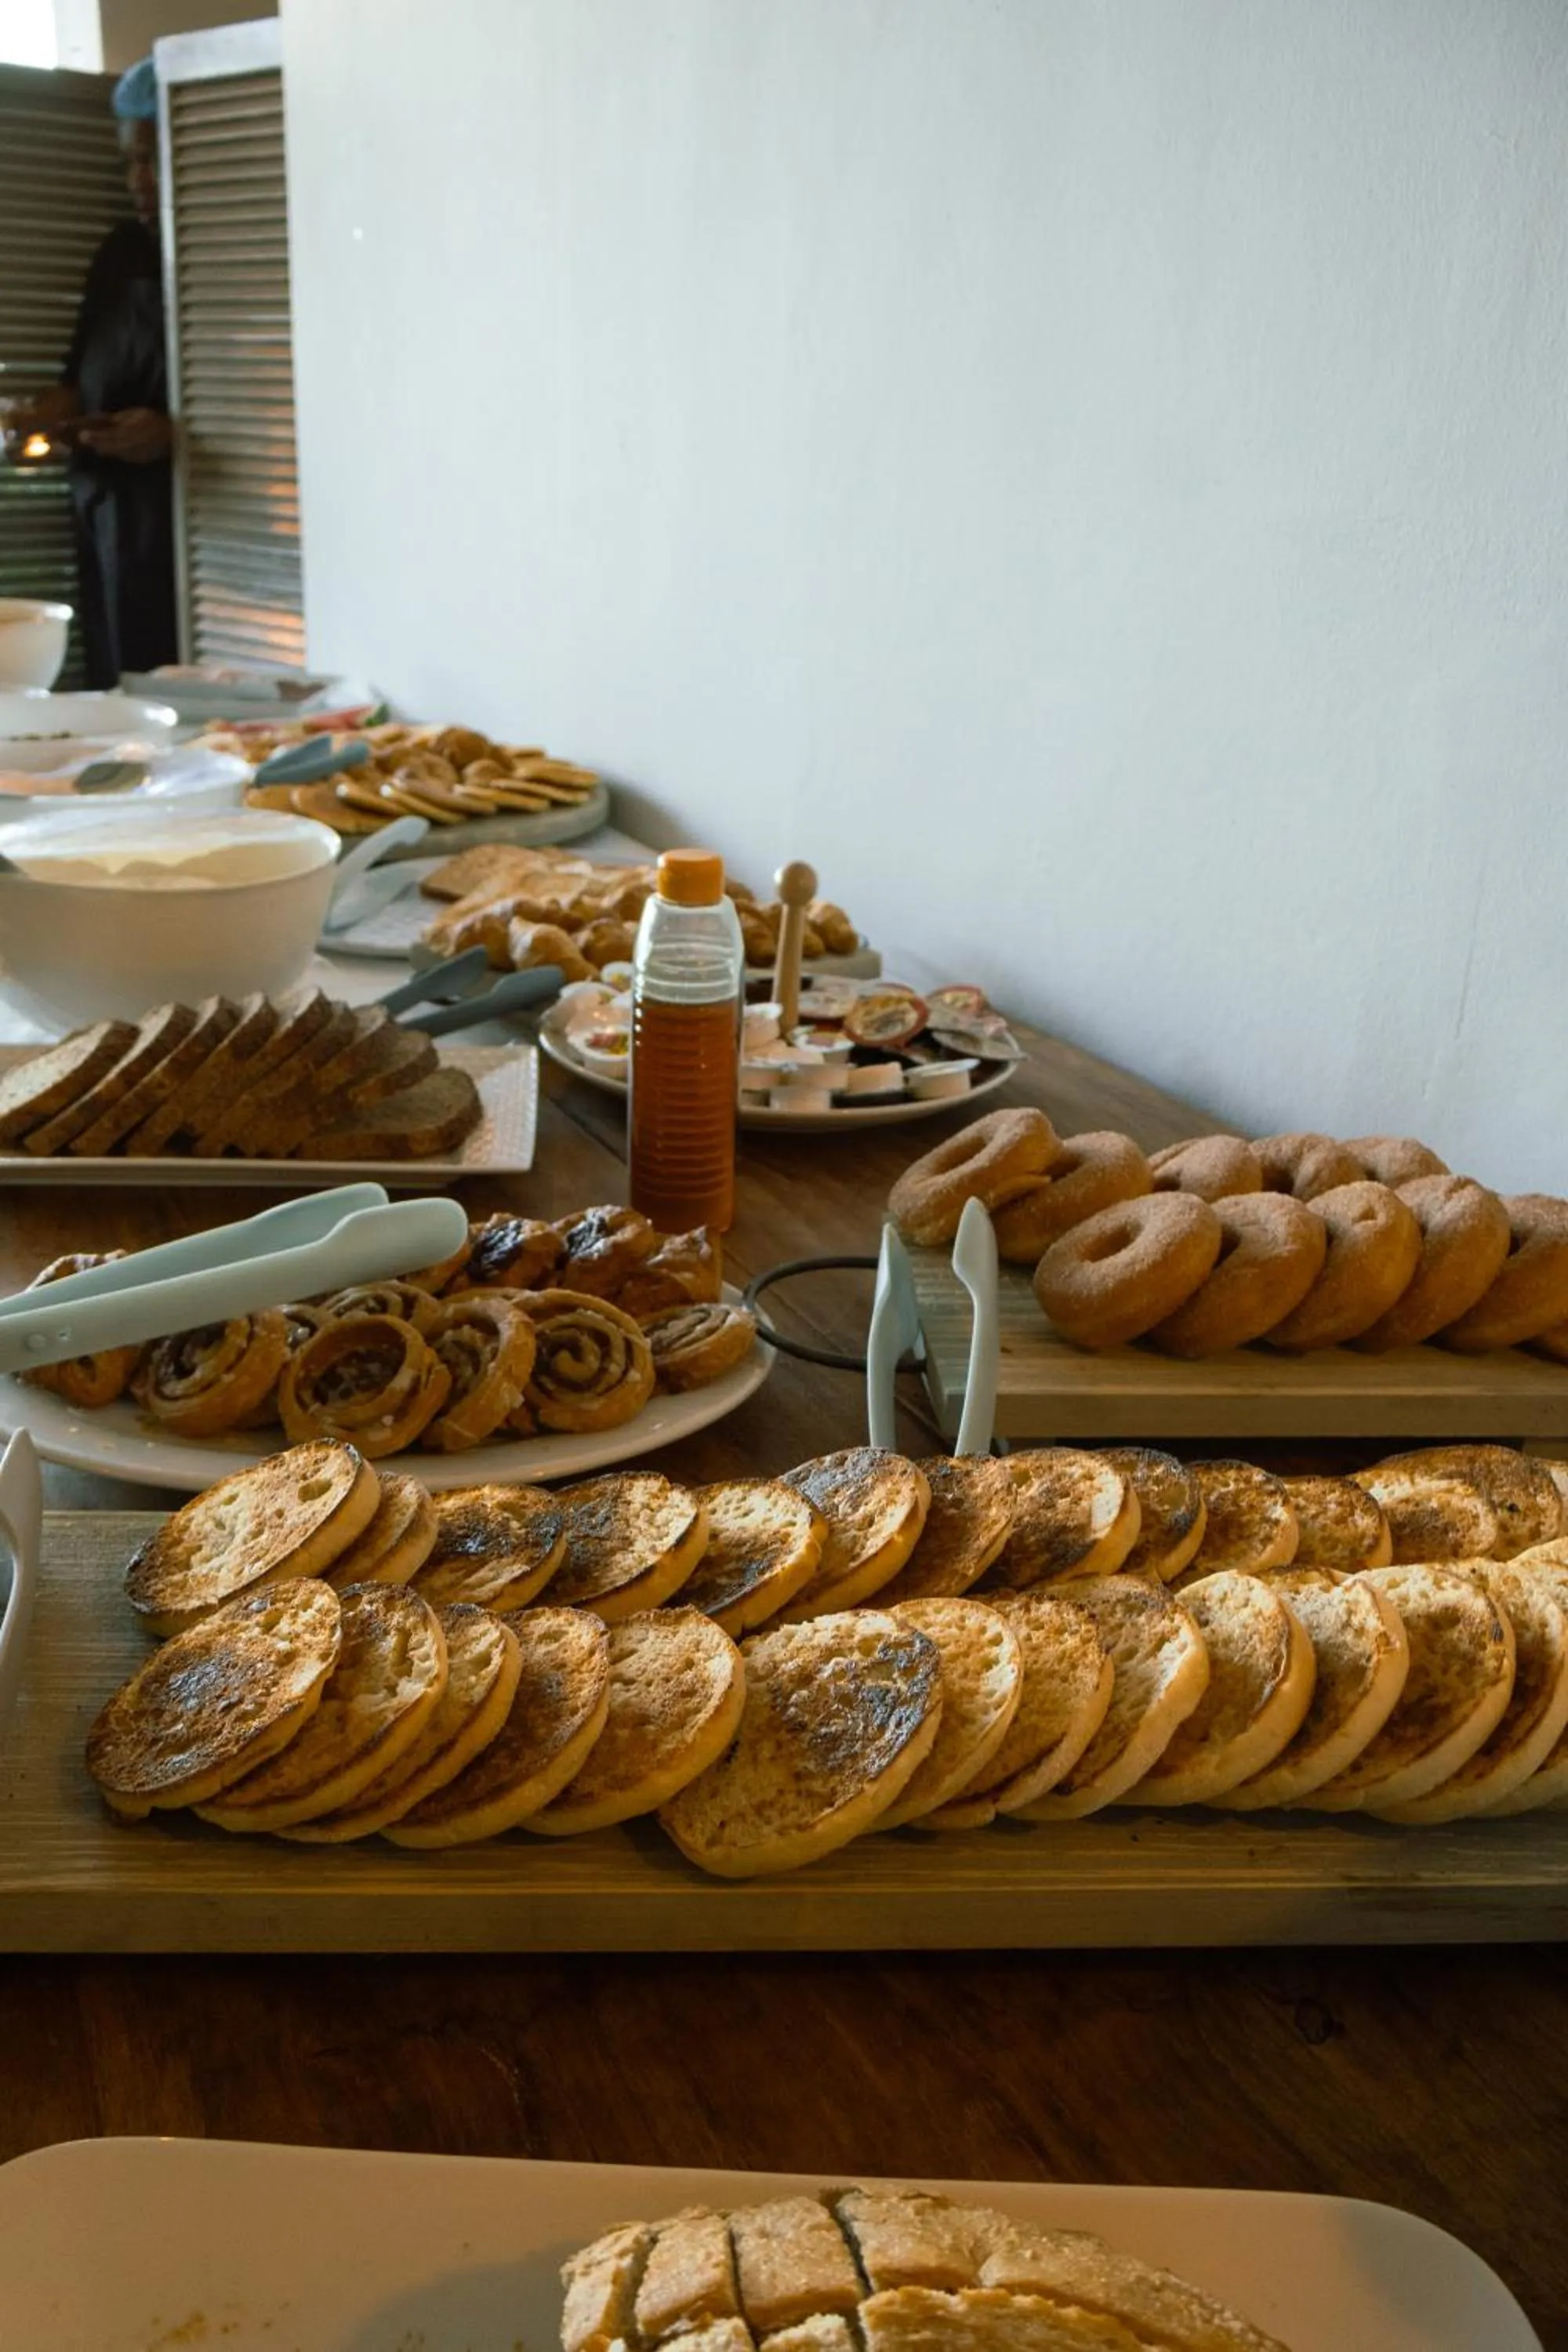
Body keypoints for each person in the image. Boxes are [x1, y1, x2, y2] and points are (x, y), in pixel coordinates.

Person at [1, 57, 178, 684]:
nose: (138, 181)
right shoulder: (119, 253)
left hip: (184, 519)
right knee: (114, 668)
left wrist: (171, 434)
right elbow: (79, 380)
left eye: (153, 160)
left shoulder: (226, 252)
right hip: (105, 511)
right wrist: (31, 417)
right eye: (129, 162)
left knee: (177, 675)